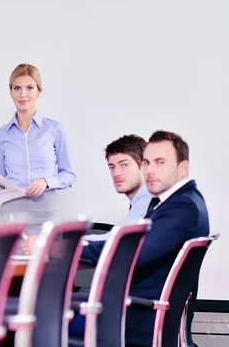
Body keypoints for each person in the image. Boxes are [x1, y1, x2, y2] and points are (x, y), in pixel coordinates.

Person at [64, 130, 209, 347]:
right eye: (148, 163)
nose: (151, 170)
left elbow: (130, 252)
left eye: (161, 163)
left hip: (134, 317)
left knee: (43, 321)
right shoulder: (175, 203)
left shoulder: (181, 206)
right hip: (136, 311)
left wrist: (69, 246)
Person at [0, 63, 76, 232]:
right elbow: (1, 181)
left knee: (48, 258)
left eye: (29, 88)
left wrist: (46, 182)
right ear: (11, 92)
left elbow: (69, 175)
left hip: (47, 216)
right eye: (17, 88)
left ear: (39, 91)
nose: (23, 94)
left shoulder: (55, 129)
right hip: (11, 216)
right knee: (11, 259)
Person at [84, 134, 152, 241]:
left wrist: (73, 244)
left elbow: (120, 241)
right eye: (112, 167)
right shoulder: (144, 199)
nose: (116, 173)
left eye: (124, 164)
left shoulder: (148, 200)